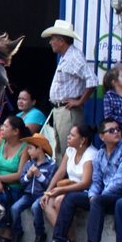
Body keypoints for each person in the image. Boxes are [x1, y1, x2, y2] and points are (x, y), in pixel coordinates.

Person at [55, 117, 122, 242]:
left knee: (98, 200)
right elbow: (96, 180)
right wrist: (92, 195)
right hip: (104, 196)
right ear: (102, 136)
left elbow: (119, 181)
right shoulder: (100, 154)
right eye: (111, 130)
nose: (117, 132)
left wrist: (98, 196)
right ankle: (59, 239)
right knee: (71, 197)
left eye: (118, 129)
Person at [42, 19, 97, 158]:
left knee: (69, 149)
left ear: (61, 41)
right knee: (61, 149)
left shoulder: (74, 57)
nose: (50, 42)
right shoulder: (66, 57)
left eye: (53, 39)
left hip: (68, 111)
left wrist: (79, 101)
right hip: (60, 110)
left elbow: (92, 80)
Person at [39, 123, 96, 242]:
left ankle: (65, 239)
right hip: (68, 188)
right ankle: (66, 239)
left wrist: (60, 190)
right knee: (47, 202)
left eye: (72, 135)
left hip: (85, 190)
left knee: (60, 200)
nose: (68, 137)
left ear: (82, 140)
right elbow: (60, 172)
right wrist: (48, 191)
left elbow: (85, 183)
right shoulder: (70, 150)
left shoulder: (91, 154)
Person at [0, 115, 30, 242]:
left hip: (14, 185)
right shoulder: (0, 141)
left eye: (6, 126)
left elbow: (19, 174)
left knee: (5, 196)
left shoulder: (25, 147)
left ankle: (7, 231)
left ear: (15, 131)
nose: (2, 129)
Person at [12, 134, 56, 242]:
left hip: (41, 194)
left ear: (40, 149)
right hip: (28, 194)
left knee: (36, 207)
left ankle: (40, 234)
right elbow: (22, 181)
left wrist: (39, 175)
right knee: (15, 208)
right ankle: (17, 231)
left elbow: (49, 184)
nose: (28, 151)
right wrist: (29, 175)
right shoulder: (28, 164)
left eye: (31, 148)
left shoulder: (51, 165)